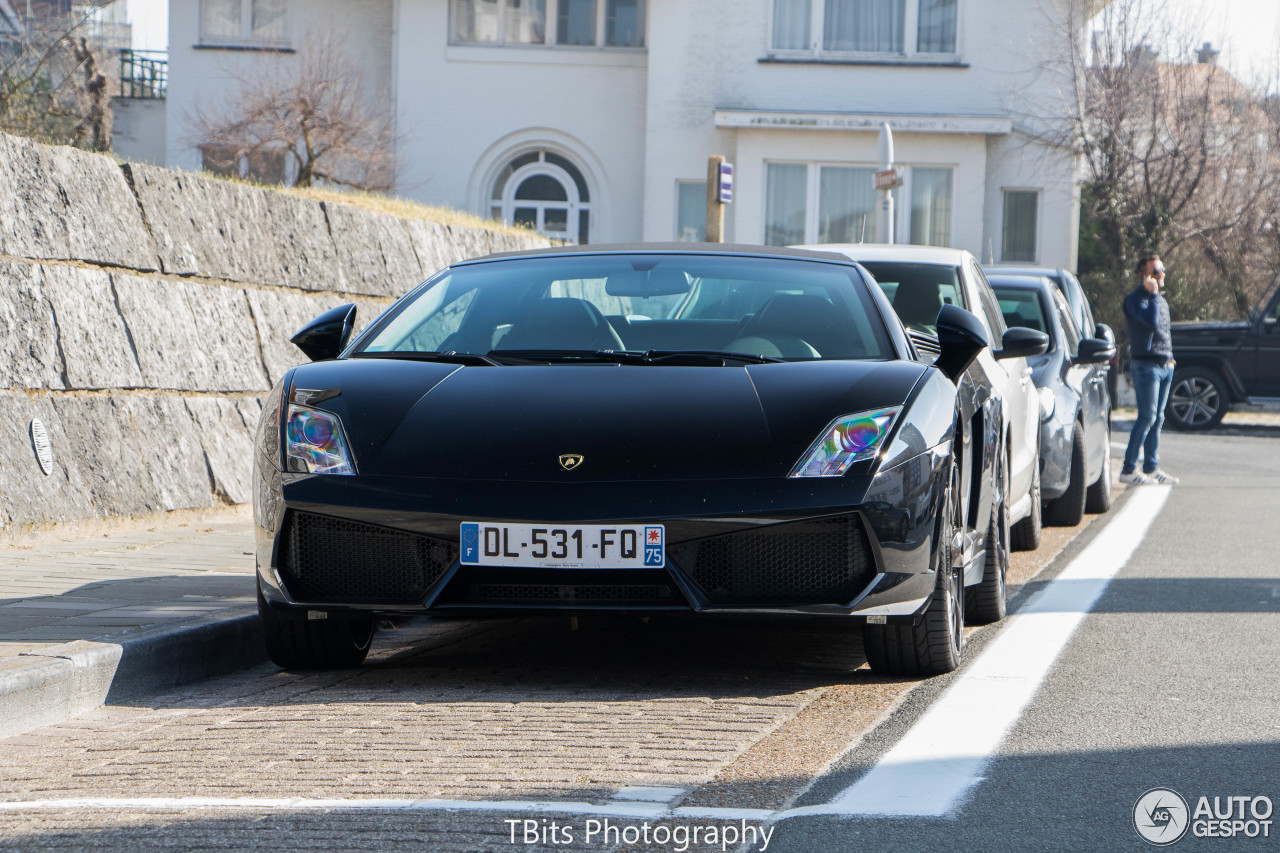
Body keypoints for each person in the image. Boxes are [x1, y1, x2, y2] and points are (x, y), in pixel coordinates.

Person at [1120, 256, 1179, 485]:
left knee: (1158, 418)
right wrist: (1152, 294)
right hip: (1146, 366)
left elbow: (1165, 333)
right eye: (1155, 271)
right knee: (1146, 417)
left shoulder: (1160, 301)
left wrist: (1171, 360)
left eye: (1162, 269)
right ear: (1142, 276)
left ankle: (1151, 467)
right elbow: (1151, 323)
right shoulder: (1135, 301)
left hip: (1165, 365)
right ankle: (1128, 469)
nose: (1161, 274)